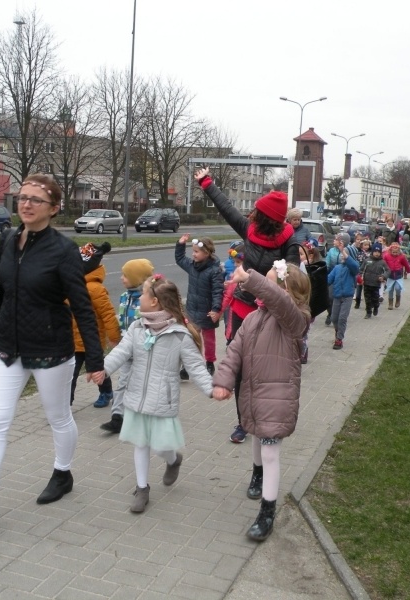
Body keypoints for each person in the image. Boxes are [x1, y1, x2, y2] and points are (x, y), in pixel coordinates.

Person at [0, 174, 104, 528]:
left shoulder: (64, 251)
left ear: (54, 209)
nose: (27, 204)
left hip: (51, 349)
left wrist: (94, 360)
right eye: (23, 197)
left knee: (58, 417)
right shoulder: (6, 239)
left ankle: (62, 474)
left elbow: (82, 307)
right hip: (7, 347)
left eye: (36, 200)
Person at [194, 166, 299, 444]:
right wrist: (206, 182)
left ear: (268, 218)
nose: (252, 214)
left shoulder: (289, 239)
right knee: (239, 365)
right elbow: (226, 207)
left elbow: (293, 276)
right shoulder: (249, 229)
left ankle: (267, 417)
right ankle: (243, 421)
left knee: (264, 371)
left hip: (272, 314)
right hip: (243, 308)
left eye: (258, 211)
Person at [95, 274, 214, 513]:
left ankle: (173, 460)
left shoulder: (179, 335)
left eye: (144, 294)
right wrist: (104, 369)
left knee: (160, 446)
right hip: (137, 396)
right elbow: (121, 352)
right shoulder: (137, 328)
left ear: (155, 302)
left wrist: (212, 389)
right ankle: (142, 488)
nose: (140, 297)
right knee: (140, 443)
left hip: (162, 400)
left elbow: (196, 368)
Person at [212, 260, 311, 542]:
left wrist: (250, 277)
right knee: (255, 436)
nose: (262, 288)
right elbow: (234, 352)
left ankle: (267, 512)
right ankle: (257, 475)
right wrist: (223, 381)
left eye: (270, 281)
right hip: (253, 394)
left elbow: (280, 302)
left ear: (285, 290)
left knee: (270, 451)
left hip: (277, 397)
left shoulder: (296, 319)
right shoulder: (254, 319)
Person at [99, 258, 155, 434]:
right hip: (126, 346)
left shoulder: (150, 299)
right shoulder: (124, 297)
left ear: (137, 278)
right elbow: (121, 321)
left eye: (126, 275)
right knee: (122, 382)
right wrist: (116, 338)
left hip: (145, 349)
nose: (122, 278)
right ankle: (118, 417)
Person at [70, 242, 121, 406]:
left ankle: (106, 392)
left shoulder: (96, 289)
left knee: (97, 368)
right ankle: (65, 402)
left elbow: (107, 314)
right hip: (72, 340)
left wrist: (114, 337)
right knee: (69, 374)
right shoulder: (70, 285)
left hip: (92, 341)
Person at [175, 234, 225, 375]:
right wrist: (180, 244)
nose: (193, 254)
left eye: (196, 252)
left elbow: (218, 291)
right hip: (192, 310)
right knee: (191, 338)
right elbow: (179, 259)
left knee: (209, 341)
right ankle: (189, 365)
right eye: (193, 251)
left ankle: (209, 362)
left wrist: (216, 309)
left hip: (207, 312)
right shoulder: (192, 266)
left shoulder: (214, 271)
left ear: (207, 253)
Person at [326, 233, 360, 350]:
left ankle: (339, 339)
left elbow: (355, 267)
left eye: (344, 255)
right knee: (334, 318)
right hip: (337, 296)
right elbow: (328, 280)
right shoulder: (337, 268)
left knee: (342, 318)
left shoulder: (352, 268)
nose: (342, 256)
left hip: (347, 297)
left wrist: (344, 252)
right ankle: (338, 331)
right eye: (341, 255)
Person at [360, 242, 388, 319]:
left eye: (378, 252)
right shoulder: (367, 261)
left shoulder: (382, 262)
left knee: (375, 299)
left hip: (376, 284)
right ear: (372, 252)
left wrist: (383, 276)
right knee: (367, 299)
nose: (377, 253)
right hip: (367, 283)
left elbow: (388, 270)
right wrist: (360, 278)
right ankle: (368, 312)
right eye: (375, 252)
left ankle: (376, 307)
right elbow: (361, 270)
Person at [383, 241, 410, 310]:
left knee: (398, 288)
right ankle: (390, 303)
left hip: (398, 275)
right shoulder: (387, 256)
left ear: (399, 251)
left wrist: (408, 270)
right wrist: (383, 272)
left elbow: (406, 264)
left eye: (396, 252)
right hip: (390, 275)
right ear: (390, 251)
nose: (395, 254)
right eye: (393, 252)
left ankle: (398, 299)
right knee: (390, 289)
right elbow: (383, 264)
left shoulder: (401, 257)